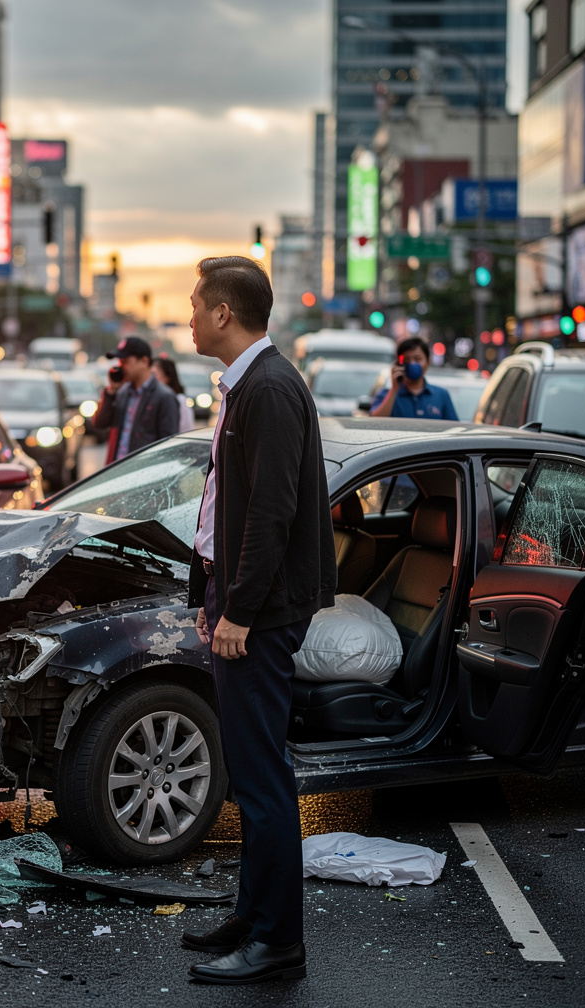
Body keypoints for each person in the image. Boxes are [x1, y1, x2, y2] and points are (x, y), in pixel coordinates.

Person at [182, 255, 336, 986]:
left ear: (224, 314)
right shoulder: (246, 387)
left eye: (195, 304)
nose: (187, 316)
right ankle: (252, 916)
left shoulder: (269, 389)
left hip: (261, 614)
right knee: (250, 773)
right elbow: (225, 501)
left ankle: (278, 943)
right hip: (239, 602)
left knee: (264, 778)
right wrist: (204, 591)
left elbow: (271, 513)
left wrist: (238, 610)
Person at [94, 336, 180, 463]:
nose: (121, 367)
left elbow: (168, 446)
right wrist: (111, 391)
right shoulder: (122, 392)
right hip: (115, 470)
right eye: (120, 362)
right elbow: (100, 423)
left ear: (144, 361)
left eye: (125, 362)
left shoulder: (165, 397)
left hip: (143, 475)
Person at [369, 336, 458, 419]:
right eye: (407, 360)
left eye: (417, 359)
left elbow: (454, 428)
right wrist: (395, 389)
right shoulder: (385, 394)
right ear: (399, 364)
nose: (412, 363)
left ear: (428, 362)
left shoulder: (441, 395)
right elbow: (375, 422)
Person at [153, 356, 197, 432]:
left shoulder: (179, 400)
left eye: (154, 374)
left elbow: (185, 430)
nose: (150, 378)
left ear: (167, 377)